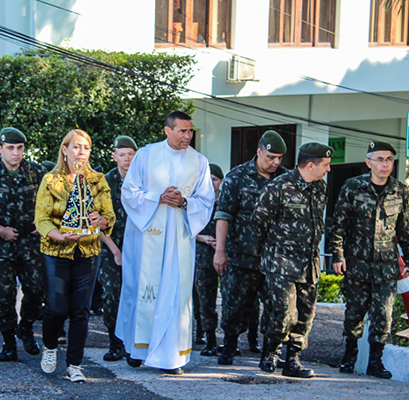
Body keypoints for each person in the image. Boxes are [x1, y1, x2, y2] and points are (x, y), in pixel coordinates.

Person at [115, 110, 215, 375]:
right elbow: (129, 192)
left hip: (179, 238)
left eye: (190, 131)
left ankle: (172, 357)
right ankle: (138, 349)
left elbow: (206, 200)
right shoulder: (146, 156)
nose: (187, 136)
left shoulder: (199, 161)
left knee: (176, 294)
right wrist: (157, 197)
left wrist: (184, 202)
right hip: (146, 234)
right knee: (143, 290)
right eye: (182, 130)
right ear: (167, 130)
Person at [330, 141, 409, 379]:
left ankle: (375, 363)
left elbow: (407, 229)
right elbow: (339, 224)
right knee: (354, 313)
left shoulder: (400, 191)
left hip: (386, 266)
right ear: (368, 162)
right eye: (379, 159)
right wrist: (337, 255)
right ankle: (349, 357)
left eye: (389, 159)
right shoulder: (352, 187)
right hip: (357, 263)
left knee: (383, 314)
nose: (385, 164)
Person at [35, 129, 115, 382]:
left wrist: (101, 220)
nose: (82, 152)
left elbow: (109, 216)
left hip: (88, 251)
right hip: (56, 251)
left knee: (80, 310)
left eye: (86, 148)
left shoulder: (98, 180)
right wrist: (60, 235)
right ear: (65, 149)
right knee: (57, 309)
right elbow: (41, 219)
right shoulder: (50, 180)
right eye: (77, 147)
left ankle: (75, 365)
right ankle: (49, 347)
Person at [253, 142, 333, 378]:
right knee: (285, 312)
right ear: (310, 165)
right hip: (282, 262)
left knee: (306, 314)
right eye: (326, 165)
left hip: (309, 263)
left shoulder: (321, 188)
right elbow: (259, 222)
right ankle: (271, 352)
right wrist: (275, 249)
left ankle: (293, 360)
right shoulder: (279, 187)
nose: (328, 169)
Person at [0, 127, 46, 361]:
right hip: (0, 244)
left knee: (36, 290)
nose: (16, 153)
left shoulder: (36, 172)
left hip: (30, 243)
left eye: (20, 148)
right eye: (10, 148)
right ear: (0, 148)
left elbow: (54, 200)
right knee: (4, 295)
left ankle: (26, 327)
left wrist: (43, 222)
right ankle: (9, 342)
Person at [214, 130, 288, 366]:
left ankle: (269, 353)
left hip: (275, 260)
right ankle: (229, 347)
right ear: (259, 152)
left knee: (276, 307)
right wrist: (220, 251)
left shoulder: (285, 179)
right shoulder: (237, 177)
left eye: (279, 158)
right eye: (270, 157)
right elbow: (224, 215)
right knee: (235, 305)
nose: (276, 162)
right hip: (241, 257)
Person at [98, 135, 138, 362]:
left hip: (139, 250)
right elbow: (97, 222)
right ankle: (115, 343)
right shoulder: (103, 183)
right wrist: (115, 251)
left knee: (137, 296)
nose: (127, 159)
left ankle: (134, 345)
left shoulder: (143, 181)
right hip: (111, 249)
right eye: (122, 155)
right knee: (112, 295)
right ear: (114, 157)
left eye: (131, 154)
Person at [194, 163, 223, 357]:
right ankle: (208, 338)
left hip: (225, 254)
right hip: (203, 255)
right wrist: (202, 238)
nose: (211, 183)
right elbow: (184, 225)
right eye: (208, 179)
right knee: (203, 300)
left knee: (231, 300)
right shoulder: (198, 201)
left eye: (215, 179)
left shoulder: (227, 200)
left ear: (221, 181)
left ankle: (231, 341)